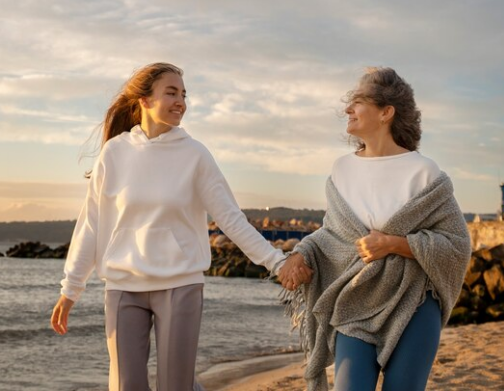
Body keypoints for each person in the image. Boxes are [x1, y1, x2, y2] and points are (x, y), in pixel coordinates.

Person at [50, 62, 305, 391]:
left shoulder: (195, 155)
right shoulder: (114, 153)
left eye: (183, 94)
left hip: (180, 285)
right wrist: (70, 290)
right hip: (123, 287)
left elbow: (230, 218)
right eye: (171, 93)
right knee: (126, 386)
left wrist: (276, 261)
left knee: (175, 386)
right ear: (144, 100)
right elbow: (91, 224)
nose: (180, 101)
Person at [277, 67, 471, 391]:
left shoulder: (423, 172)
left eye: (357, 102)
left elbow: (456, 244)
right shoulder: (342, 169)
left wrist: (394, 244)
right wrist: (301, 252)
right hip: (356, 301)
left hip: (414, 301)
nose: (347, 110)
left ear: (386, 112)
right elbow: (333, 235)